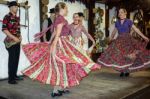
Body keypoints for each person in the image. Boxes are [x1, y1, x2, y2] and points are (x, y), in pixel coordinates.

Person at [22, 2, 100, 97]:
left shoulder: (58, 18)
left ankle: (59, 88)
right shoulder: (61, 19)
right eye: (66, 8)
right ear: (62, 9)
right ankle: (56, 90)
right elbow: (57, 33)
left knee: (62, 65)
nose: (67, 10)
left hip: (63, 43)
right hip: (61, 44)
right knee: (60, 66)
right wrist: (53, 46)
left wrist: (50, 42)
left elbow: (54, 32)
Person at [97, 8, 150, 77]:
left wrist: (144, 37)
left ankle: (127, 70)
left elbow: (136, 30)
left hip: (128, 40)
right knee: (120, 56)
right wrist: (110, 38)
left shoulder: (129, 21)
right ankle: (122, 70)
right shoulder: (117, 22)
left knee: (128, 56)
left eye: (122, 12)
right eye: (119, 12)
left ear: (125, 13)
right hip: (119, 40)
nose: (120, 14)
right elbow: (114, 32)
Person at [2, 1, 23, 84]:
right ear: (10, 7)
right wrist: (14, 37)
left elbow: (17, 29)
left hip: (17, 41)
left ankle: (14, 75)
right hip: (10, 42)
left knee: (16, 59)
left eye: (17, 7)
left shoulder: (17, 18)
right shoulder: (6, 17)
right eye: (15, 7)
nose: (16, 8)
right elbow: (4, 29)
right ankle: (11, 79)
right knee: (12, 60)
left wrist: (20, 36)